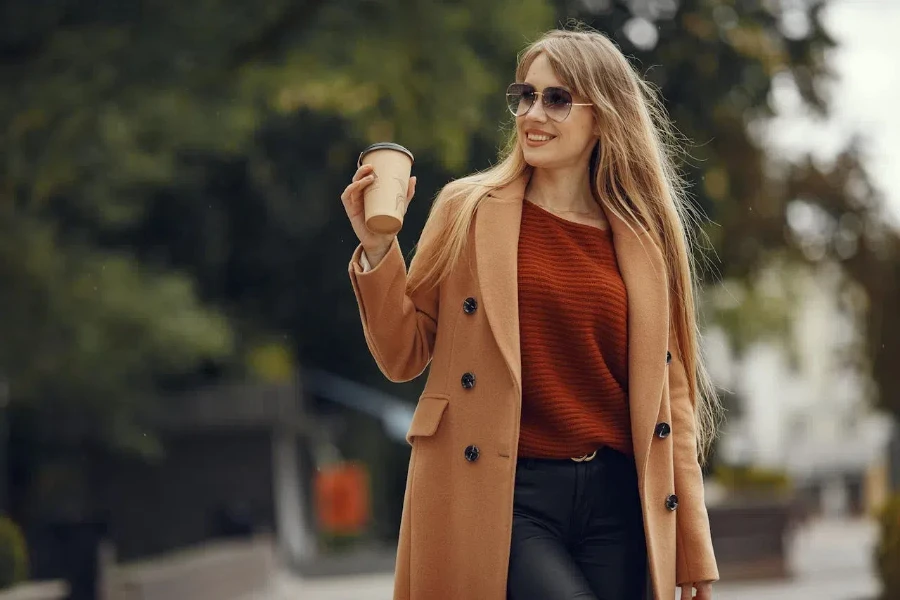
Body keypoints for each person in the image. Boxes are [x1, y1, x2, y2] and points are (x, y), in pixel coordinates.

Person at [341, 27, 721, 600]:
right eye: (525, 95)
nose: (532, 113)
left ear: (604, 115)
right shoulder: (468, 210)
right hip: (504, 493)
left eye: (556, 99)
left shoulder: (643, 239)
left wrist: (691, 546)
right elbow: (404, 354)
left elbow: (675, 401)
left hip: (618, 501)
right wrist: (376, 250)